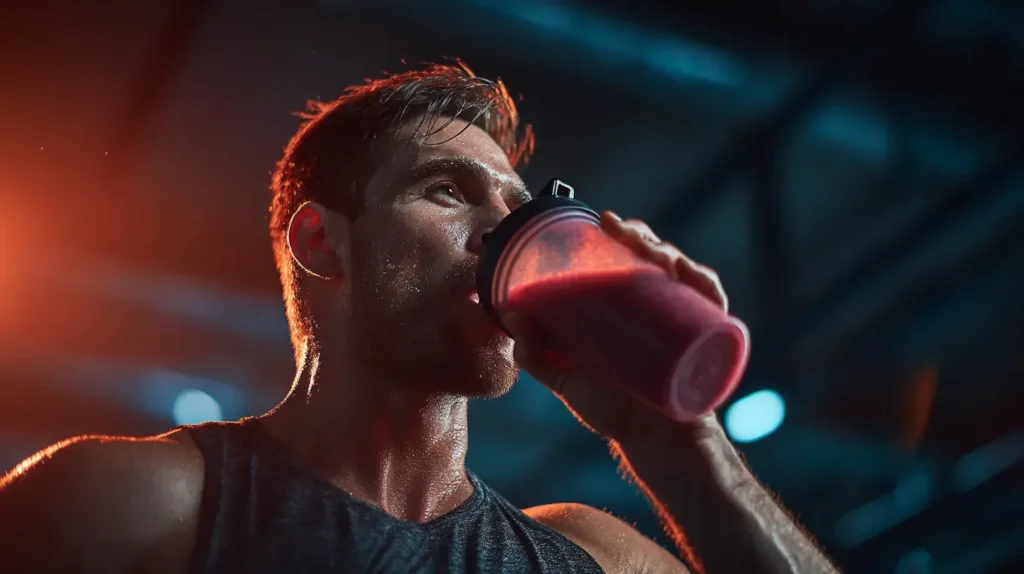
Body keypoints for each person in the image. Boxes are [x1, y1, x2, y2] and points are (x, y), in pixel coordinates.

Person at [0, 62, 838, 573]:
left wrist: (682, 444)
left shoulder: (591, 556)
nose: (504, 233)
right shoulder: (132, 501)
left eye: (516, 208)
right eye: (447, 191)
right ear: (322, 243)